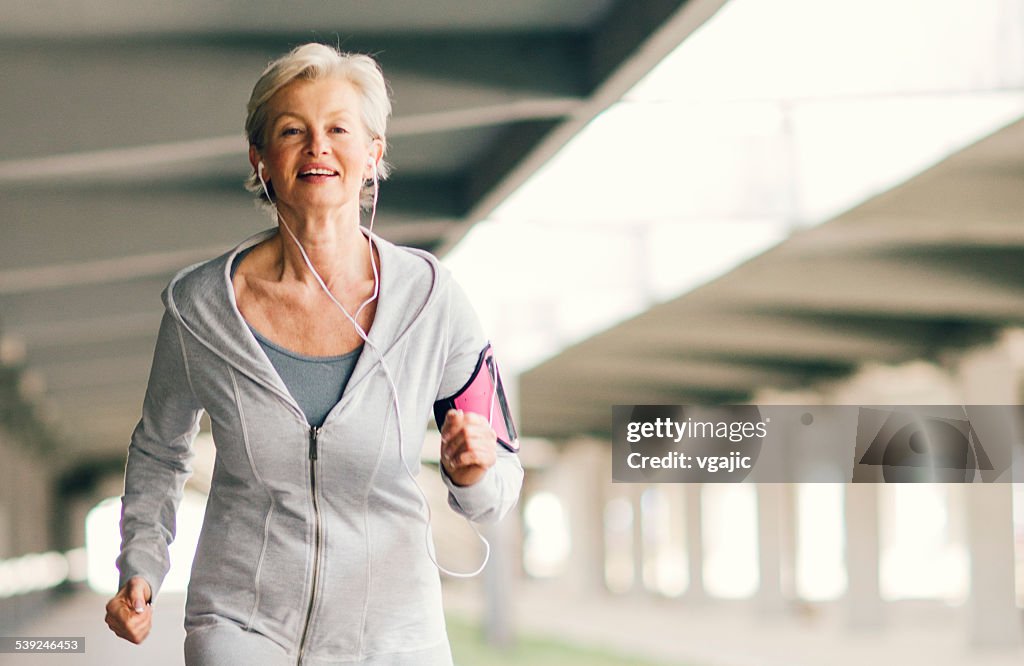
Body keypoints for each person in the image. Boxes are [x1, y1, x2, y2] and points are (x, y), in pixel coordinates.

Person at [104, 43, 524, 665]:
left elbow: (500, 478)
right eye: (292, 131)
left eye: (337, 130)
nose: (317, 147)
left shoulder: (432, 300)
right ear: (261, 161)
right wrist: (141, 563)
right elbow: (159, 451)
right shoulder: (201, 309)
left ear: (373, 155)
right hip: (240, 625)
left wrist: (474, 472)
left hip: (394, 635)